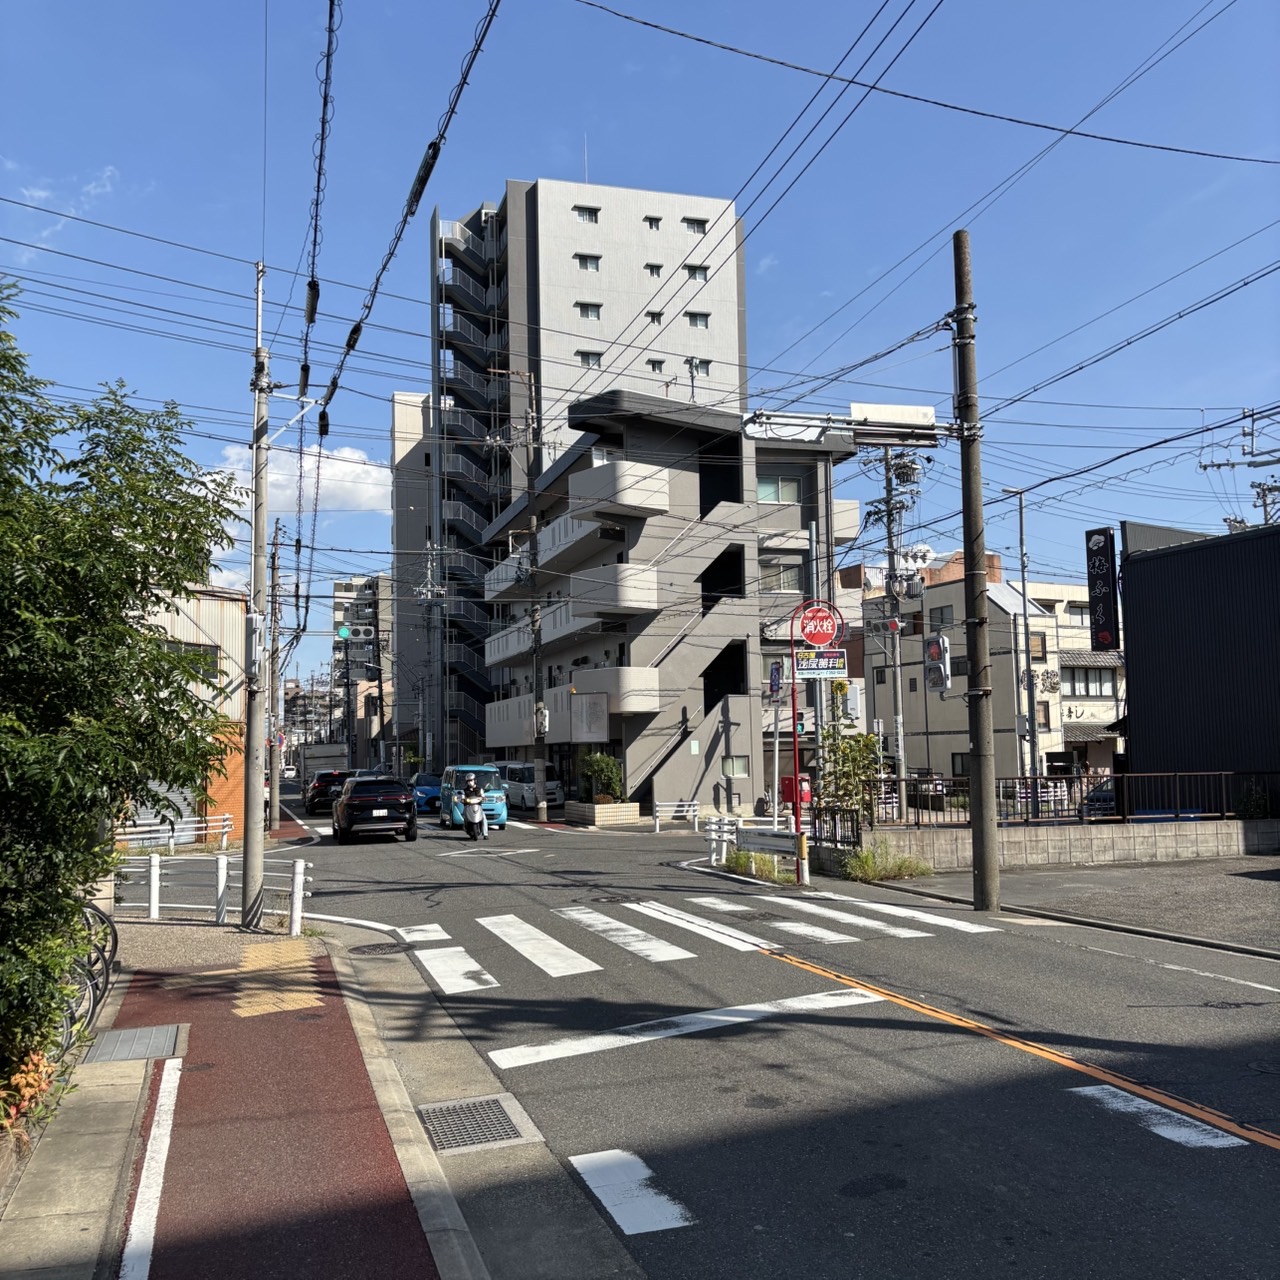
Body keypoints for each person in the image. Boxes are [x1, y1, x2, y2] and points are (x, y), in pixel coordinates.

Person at [462, 772, 489, 840]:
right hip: (468, 807)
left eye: (471, 780)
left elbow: (483, 796)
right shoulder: (465, 790)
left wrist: (484, 798)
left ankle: (485, 834)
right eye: (468, 781)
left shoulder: (480, 789)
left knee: (484, 818)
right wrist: (462, 800)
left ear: (475, 780)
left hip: (478, 806)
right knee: (465, 816)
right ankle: (466, 826)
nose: (470, 782)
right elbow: (462, 797)